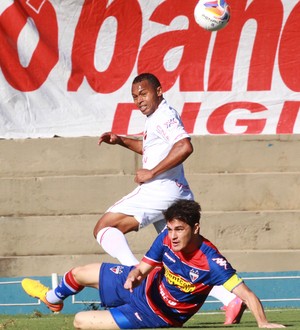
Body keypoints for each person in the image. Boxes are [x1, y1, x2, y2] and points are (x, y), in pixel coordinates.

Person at [93, 72, 244, 324]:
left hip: (160, 190)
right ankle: (231, 299)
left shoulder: (164, 115)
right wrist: (120, 141)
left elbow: (185, 146)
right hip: (176, 192)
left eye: (143, 93)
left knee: (104, 228)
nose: (139, 100)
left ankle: (136, 276)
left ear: (159, 91)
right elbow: (149, 147)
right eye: (134, 97)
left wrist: (151, 172)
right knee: (177, 259)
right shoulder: (156, 118)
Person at [21, 200, 285, 329]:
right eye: (170, 228)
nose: (173, 236)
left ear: (196, 228)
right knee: (79, 273)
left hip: (158, 314)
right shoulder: (166, 239)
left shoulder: (211, 262)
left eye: (179, 230)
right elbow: (144, 267)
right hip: (145, 286)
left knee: (79, 321)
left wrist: (262, 322)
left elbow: (247, 294)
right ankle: (52, 298)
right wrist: (134, 275)